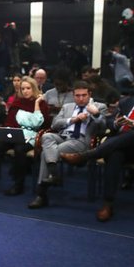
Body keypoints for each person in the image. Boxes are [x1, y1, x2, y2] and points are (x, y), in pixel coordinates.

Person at [61, 74, 134, 222]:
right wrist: (116, 123)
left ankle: (85, 156)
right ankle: (108, 204)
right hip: (118, 145)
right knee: (115, 154)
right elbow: (108, 123)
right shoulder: (127, 102)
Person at [28, 81, 107, 209]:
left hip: (80, 141)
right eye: (77, 95)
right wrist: (72, 120)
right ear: (73, 95)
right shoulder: (68, 106)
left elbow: (103, 127)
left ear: (89, 94)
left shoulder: (99, 106)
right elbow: (54, 124)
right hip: (63, 136)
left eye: (84, 95)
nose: (80, 98)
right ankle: (53, 174)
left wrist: (96, 114)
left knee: (45, 153)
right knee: (47, 136)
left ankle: (42, 194)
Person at [0, 75, 49, 196]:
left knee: (19, 150)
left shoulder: (41, 104)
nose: (25, 91)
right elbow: (9, 122)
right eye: (23, 89)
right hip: (15, 134)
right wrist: (10, 130)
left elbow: (42, 124)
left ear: (34, 88)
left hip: (32, 136)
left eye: (28, 88)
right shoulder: (18, 103)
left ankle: (18, 185)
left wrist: (36, 103)